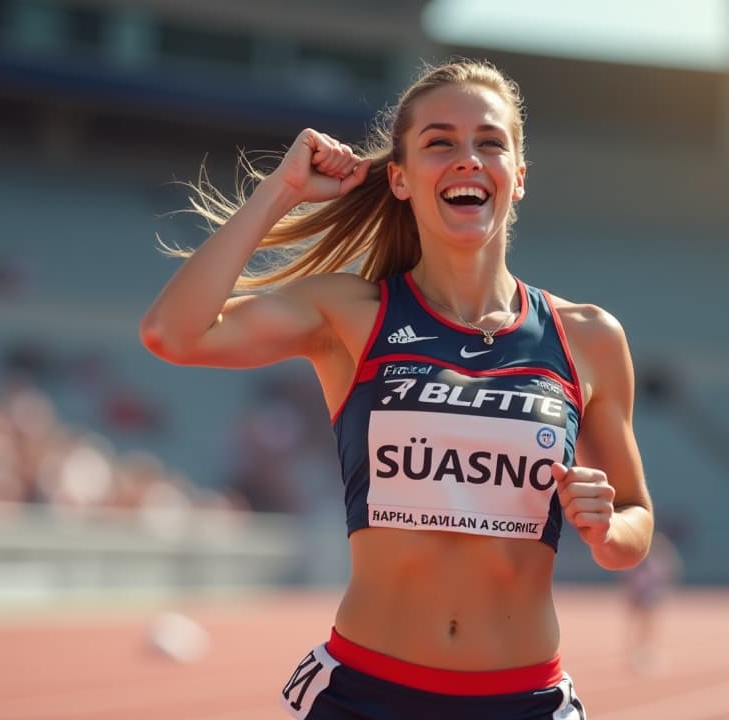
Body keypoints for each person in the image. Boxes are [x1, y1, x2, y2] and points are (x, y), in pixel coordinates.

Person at [140, 58, 654, 719]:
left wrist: (609, 526)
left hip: (523, 701)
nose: (468, 158)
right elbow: (171, 334)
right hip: (365, 695)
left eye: (490, 142)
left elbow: (637, 519)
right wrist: (281, 191)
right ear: (401, 178)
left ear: (518, 176)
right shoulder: (349, 313)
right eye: (440, 142)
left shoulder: (588, 337)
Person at [622, 530, 681, 673]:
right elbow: (628, 578)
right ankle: (636, 652)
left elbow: (667, 576)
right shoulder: (637, 561)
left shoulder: (658, 561)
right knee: (637, 626)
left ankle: (646, 651)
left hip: (650, 596)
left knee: (648, 626)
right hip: (639, 596)